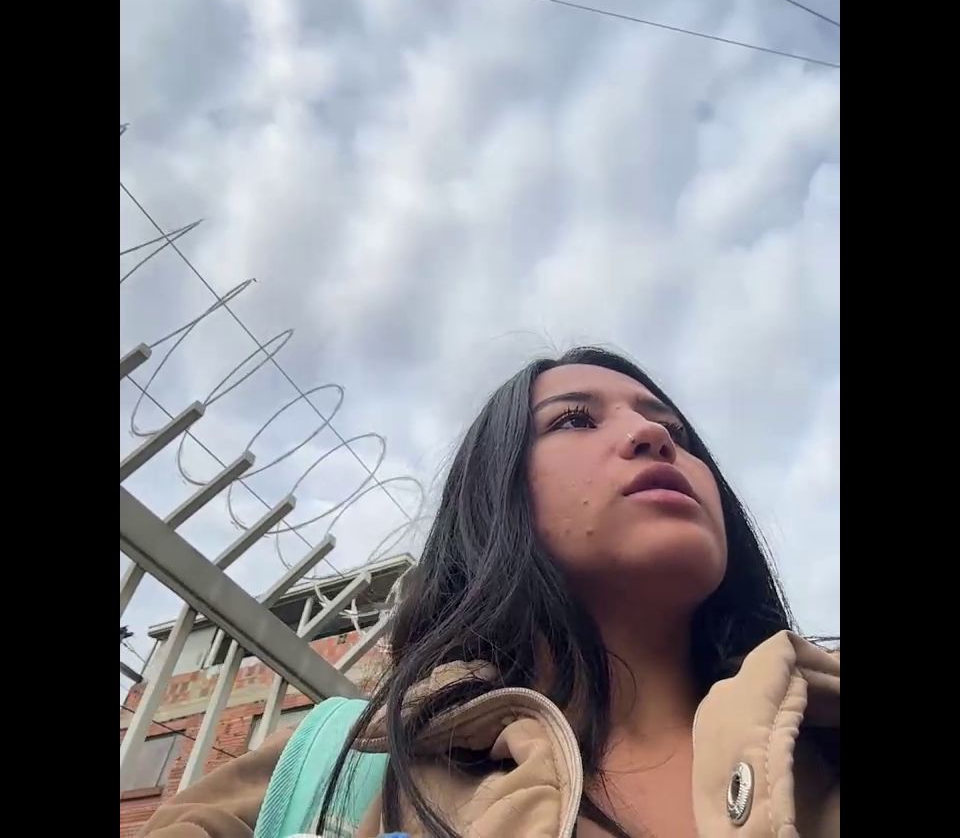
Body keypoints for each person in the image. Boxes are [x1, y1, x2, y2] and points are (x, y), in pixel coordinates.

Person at [141, 346, 839, 838]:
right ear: (494, 497)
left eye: (677, 430)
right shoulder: (345, 769)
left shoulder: (825, 738)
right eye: (574, 419)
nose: (652, 433)